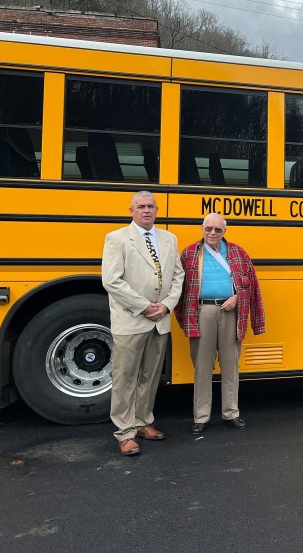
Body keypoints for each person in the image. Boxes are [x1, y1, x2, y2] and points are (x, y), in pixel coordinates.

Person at [102, 191, 184, 456]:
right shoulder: (116, 239)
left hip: (160, 320)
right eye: (141, 207)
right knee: (124, 377)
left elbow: (178, 275)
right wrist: (144, 306)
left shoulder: (169, 238)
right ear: (131, 210)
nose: (146, 210)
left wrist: (167, 305)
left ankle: (142, 422)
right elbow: (112, 281)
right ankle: (125, 433)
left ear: (157, 210)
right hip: (132, 319)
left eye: (150, 206)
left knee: (150, 377)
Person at [174, 213, 265, 434]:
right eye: (209, 229)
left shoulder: (238, 252)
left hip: (231, 312)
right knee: (202, 367)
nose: (212, 233)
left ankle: (231, 413)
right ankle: (201, 416)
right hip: (201, 311)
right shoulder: (189, 253)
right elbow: (178, 287)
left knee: (231, 366)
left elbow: (251, 285)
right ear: (202, 228)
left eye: (218, 229)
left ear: (225, 231)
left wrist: (237, 298)